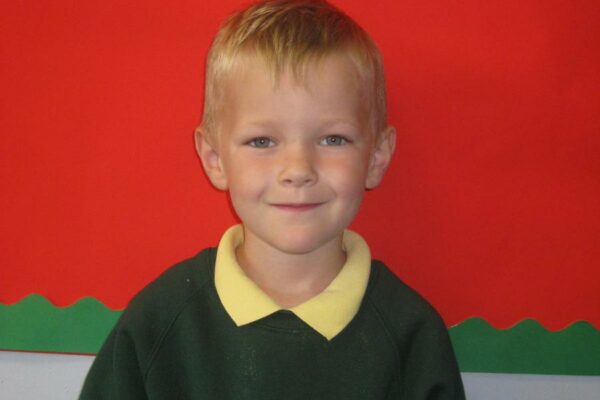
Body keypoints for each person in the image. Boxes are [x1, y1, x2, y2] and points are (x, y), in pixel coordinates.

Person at [80, 0, 465, 398]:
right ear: (214, 159)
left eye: (333, 139)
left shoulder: (412, 337)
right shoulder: (159, 322)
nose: (297, 169)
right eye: (262, 141)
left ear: (377, 157)